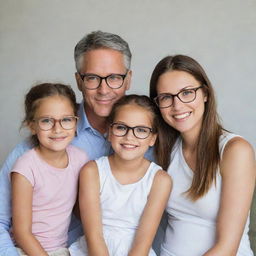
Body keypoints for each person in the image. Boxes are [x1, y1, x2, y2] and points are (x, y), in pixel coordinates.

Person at [0, 31, 132, 256]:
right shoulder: (32, 152)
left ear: (128, 79)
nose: (104, 89)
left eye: (114, 77)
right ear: (79, 81)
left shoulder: (145, 137)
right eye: (92, 78)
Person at [149, 54, 256, 255]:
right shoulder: (164, 150)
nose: (177, 105)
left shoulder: (235, 150)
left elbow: (227, 247)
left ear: (205, 93)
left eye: (187, 93)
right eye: (166, 97)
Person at [69, 94, 172, 256]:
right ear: (110, 132)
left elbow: (143, 242)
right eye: (121, 127)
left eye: (141, 130)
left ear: (152, 138)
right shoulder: (92, 172)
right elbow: (94, 236)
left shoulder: (160, 180)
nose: (129, 136)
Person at [11, 83, 89, 256]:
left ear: (76, 122)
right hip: (25, 250)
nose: (58, 129)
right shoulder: (25, 167)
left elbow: (81, 207)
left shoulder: (80, 159)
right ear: (32, 126)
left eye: (66, 119)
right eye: (47, 120)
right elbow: (21, 233)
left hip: (60, 249)